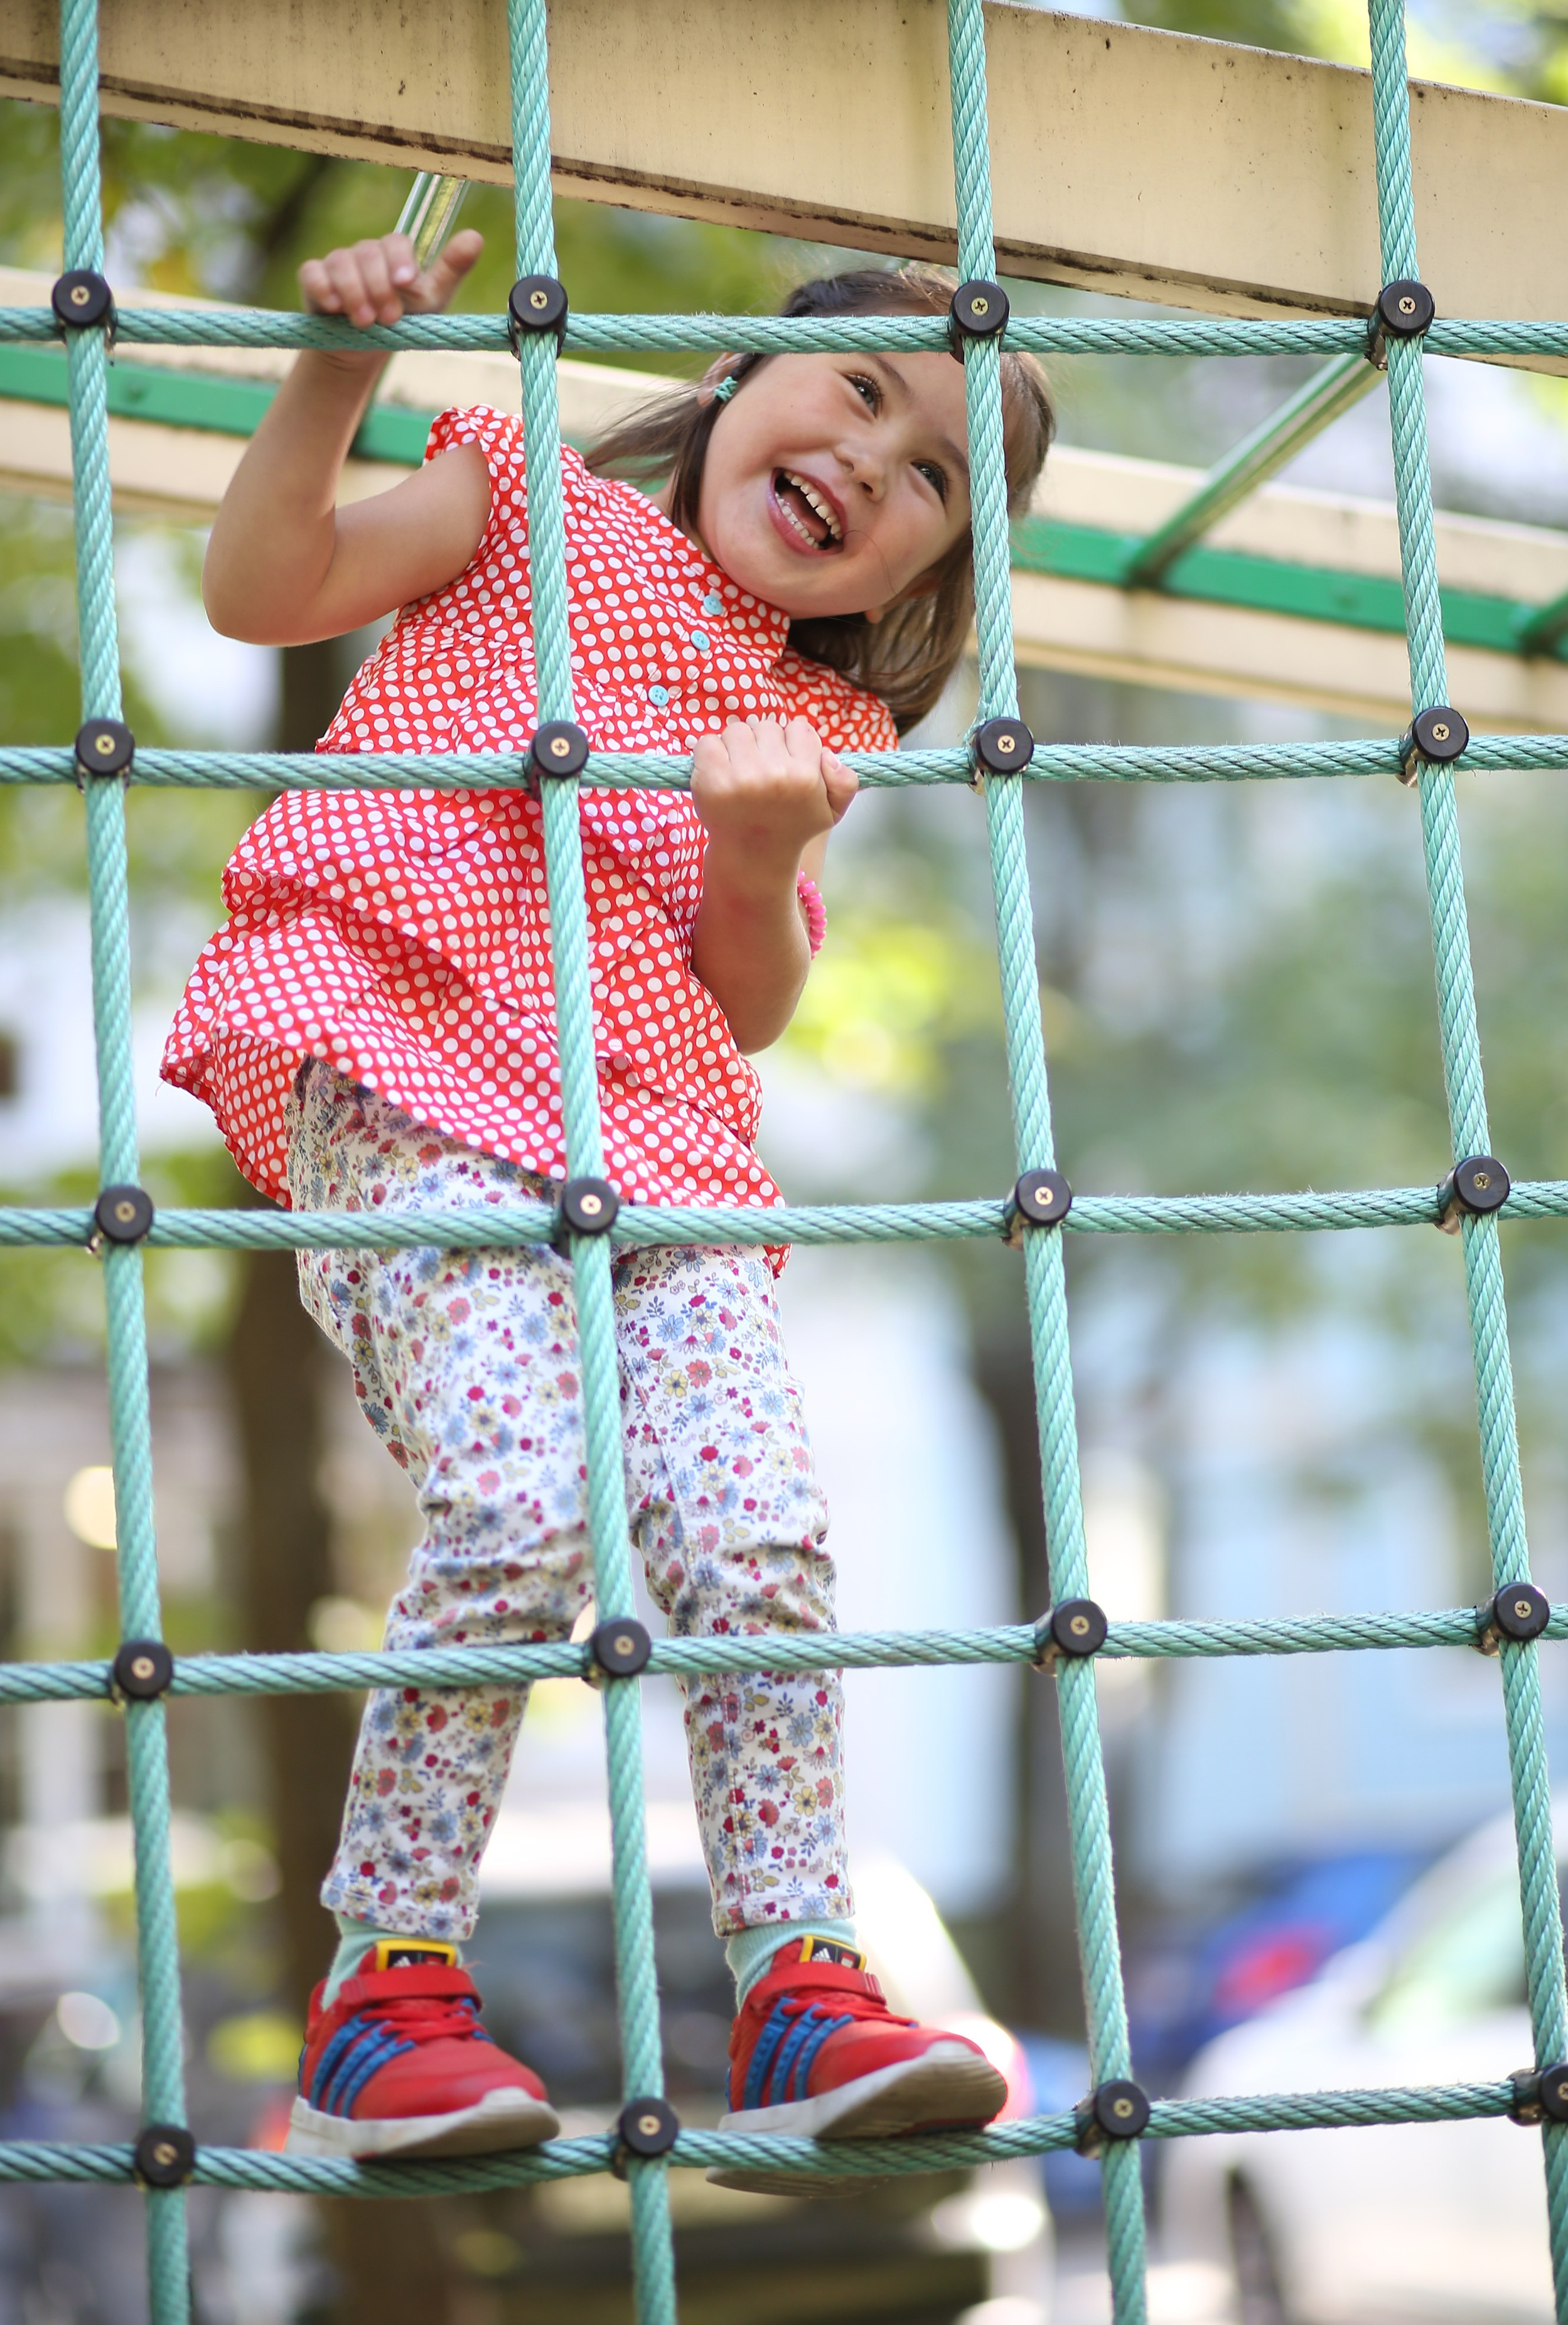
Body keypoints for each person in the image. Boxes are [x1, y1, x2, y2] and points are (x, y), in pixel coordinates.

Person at [163, 224, 1054, 2169]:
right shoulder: (524, 502)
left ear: (926, 572)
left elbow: (748, 1000)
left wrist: (754, 854)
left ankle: (804, 1982)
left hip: (650, 1141)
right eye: (865, 396)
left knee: (761, 1539)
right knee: (518, 1494)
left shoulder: (816, 725)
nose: (872, 471)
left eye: (932, 488)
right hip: (401, 1060)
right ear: (740, 385)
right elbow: (263, 587)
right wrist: (333, 372)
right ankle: (385, 1995)